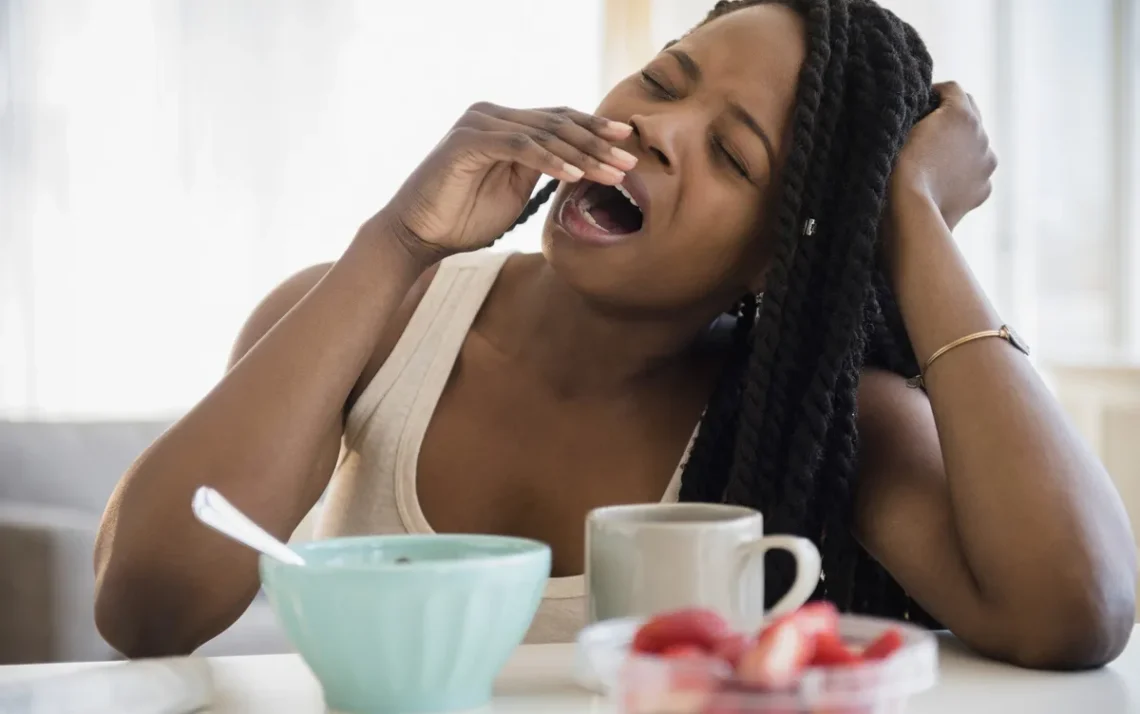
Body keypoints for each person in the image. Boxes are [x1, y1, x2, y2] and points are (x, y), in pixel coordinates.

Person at [94, 0, 1137, 668]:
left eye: (731, 156)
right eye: (663, 80)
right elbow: (143, 608)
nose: (658, 132)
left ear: (779, 258)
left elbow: (1076, 609)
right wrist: (398, 239)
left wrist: (912, 220)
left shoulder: (830, 416)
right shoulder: (374, 312)